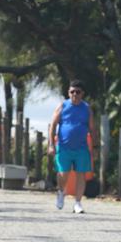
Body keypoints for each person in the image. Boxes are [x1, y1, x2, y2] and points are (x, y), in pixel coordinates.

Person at [47, 80, 99, 214]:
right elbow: (53, 125)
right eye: (72, 92)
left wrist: (94, 147)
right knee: (63, 173)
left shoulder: (86, 108)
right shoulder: (62, 106)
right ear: (68, 93)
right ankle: (60, 191)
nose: (75, 94)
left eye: (78, 92)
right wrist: (51, 144)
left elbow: (92, 128)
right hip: (64, 146)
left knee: (81, 174)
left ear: (82, 94)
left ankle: (78, 203)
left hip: (81, 147)